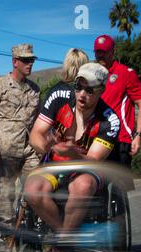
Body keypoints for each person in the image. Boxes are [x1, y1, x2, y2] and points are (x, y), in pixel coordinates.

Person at [24, 62, 120, 235]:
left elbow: (93, 161)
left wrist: (73, 153)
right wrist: (46, 146)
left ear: (101, 91)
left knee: (83, 186)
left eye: (90, 90)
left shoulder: (110, 120)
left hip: (86, 170)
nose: (82, 95)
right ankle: (64, 235)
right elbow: (36, 134)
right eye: (78, 87)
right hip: (56, 164)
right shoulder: (59, 97)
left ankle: (63, 241)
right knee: (32, 189)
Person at [0, 44, 41, 245]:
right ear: (14, 61)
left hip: (30, 149)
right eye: (25, 60)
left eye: (31, 60)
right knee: (5, 192)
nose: (29, 64)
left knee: (35, 188)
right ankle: (6, 232)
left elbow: (39, 120)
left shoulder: (35, 90)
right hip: (6, 148)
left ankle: (32, 226)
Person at [94, 34, 141, 167]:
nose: (100, 55)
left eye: (104, 52)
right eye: (98, 52)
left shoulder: (126, 73)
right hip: (96, 138)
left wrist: (138, 136)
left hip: (120, 140)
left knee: (117, 186)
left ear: (113, 52)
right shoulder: (92, 74)